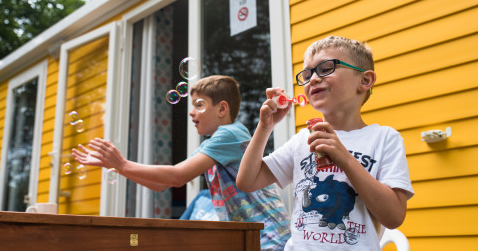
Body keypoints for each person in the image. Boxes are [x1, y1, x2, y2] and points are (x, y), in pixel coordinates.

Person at [72, 75, 291, 250]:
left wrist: (122, 164)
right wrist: (116, 166)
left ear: (222, 109)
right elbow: (162, 184)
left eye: (199, 104)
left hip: (270, 236)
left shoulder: (230, 134)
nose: (191, 112)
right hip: (257, 238)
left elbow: (177, 176)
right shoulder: (214, 144)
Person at [236, 36, 414, 250]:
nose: (312, 79)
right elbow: (247, 181)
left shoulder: (385, 138)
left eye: (326, 68)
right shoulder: (303, 140)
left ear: (365, 81)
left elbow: (394, 217)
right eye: (307, 74)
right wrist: (265, 127)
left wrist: (345, 159)